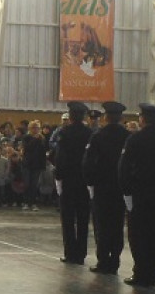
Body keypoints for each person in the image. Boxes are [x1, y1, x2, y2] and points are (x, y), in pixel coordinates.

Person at [118, 103, 155, 287]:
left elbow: (124, 168)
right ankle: (152, 273)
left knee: (138, 235)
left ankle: (140, 272)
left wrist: (126, 193)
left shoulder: (134, 140)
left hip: (139, 193)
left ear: (142, 119)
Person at [82, 101, 129, 275]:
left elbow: (88, 163)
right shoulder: (127, 136)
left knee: (101, 224)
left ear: (106, 117)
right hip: (119, 188)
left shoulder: (98, 136)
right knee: (117, 225)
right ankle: (115, 260)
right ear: (121, 118)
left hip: (102, 187)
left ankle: (103, 260)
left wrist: (90, 183)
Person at [54, 101, 92, 265]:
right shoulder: (90, 133)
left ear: (70, 116)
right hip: (84, 180)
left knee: (68, 218)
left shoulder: (65, 132)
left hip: (69, 180)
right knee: (83, 218)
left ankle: (70, 253)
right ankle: (81, 254)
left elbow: (61, 157)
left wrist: (58, 177)